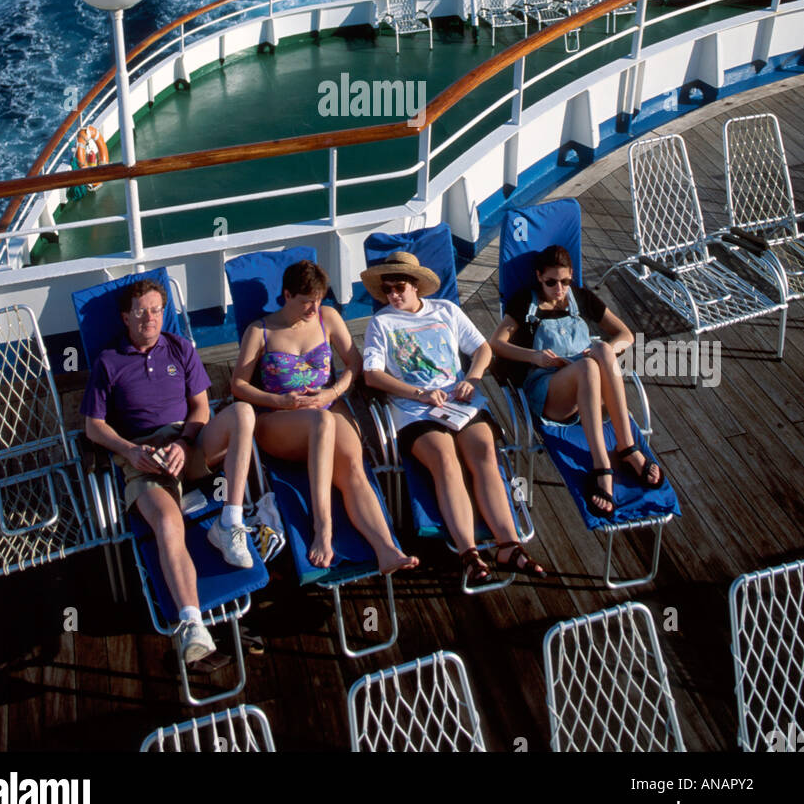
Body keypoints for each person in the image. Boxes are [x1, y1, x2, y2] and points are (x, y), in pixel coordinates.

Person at [81, 278, 256, 664]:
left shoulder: (180, 348)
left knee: (243, 412)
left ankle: (229, 523)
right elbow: (93, 426)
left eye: (157, 310)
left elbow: (201, 408)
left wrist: (183, 442)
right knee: (167, 522)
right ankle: (193, 624)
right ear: (126, 316)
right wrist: (130, 450)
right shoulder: (108, 361)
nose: (150, 318)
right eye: (141, 311)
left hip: (187, 445)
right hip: (144, 458)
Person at [361, 251, 546, 588]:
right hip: (415, 410)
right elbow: (372, 375)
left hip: (461, 402)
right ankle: (469, 553)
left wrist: (472, 379)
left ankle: (508, 545)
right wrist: (417, 394)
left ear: (416, 286)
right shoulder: (382, 323)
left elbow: (483, 350)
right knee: (446, 461)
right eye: (387, 290)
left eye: (399, 287)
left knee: (485, 456)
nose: (393, 295)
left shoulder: (446, 311)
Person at [230, 259, 418, 575]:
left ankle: (387, 550)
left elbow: (353, 364)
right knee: (322, 422)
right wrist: (278, 399)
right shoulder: (260, 331)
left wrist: (332, 393)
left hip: (327, 406)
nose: (312, 308)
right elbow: (238, 385)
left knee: (355, 470)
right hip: (279, 419)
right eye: (305, 302)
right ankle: (323, 527)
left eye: (317, 300)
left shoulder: (326, 317)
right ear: (286, 295)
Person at [490, 244, 664, 519]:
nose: (559, 289)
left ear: (572, 275)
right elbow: (497, 344)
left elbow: (625, 335)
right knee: (586, 367)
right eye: (550, 282)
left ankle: (628, 447)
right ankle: (601, 465)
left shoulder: (581, 299)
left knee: (604, 351)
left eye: (565, 281)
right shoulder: (526, 303)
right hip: (551, 392)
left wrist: (604, 349)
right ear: (538, 276)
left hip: (590, 385)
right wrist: (534, 356)